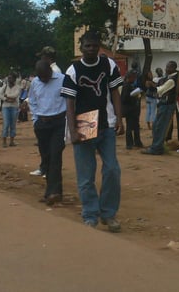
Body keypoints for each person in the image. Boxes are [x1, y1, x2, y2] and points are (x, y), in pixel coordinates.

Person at [62, 31, 125, 231]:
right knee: (86, 175)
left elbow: (115, 92)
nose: (91, 49)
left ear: (99, 46)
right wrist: (72, 130)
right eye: (87, 46)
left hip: (106, 123)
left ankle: (108, 213)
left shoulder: (109, 65)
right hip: (84, 123)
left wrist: (119, 117)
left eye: (94, 46)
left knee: (113, 169)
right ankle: (90, 214)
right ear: (81, 47)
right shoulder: (73, 70)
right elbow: (69, 103)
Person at [29, 59, 67, 206]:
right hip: (42, 124)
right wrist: (35, 119)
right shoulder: (35, 83)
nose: (43, 80)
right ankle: (51, 192)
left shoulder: (62, 79)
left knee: (55, 156)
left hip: (59, 122)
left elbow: (69, 99)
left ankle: (54, 192)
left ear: (50, 72)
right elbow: (31, 100)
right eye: (41, 77)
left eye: (45, 76)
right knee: (46, 159)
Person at [141, 61, 179, 155]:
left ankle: (156, 147)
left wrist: (151, 85)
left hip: (167, 105)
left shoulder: (172, 80)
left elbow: (160, 90)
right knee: (156, 126)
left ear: (173, 68)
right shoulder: (167, 78)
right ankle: (157, 145)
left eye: (168, 67)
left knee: (160, 127)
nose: (166, 69)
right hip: (163, 104)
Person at [120, 70, 142, 149]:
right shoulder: (126, 86)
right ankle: (129, 144)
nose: (135, 79)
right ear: (130, 77)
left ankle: (137, 142)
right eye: (134, 77)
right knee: (129, 127)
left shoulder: (130, 85)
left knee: (136, 126)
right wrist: (133, 96)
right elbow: (124, 98)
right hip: (129, 110)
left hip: (133, 109)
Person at [0, 72, 23, 147]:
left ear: (14, 79)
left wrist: (6, 96)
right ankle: (4, 141)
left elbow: (15, 96)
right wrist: (6, 99)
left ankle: (11, 141)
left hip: (14, 107)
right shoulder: (5, 86)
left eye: (11, 78)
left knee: (13, 124)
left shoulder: (18, 87)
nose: (9, 79)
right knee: (6, 124)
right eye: (8, 78)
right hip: (6, 107)